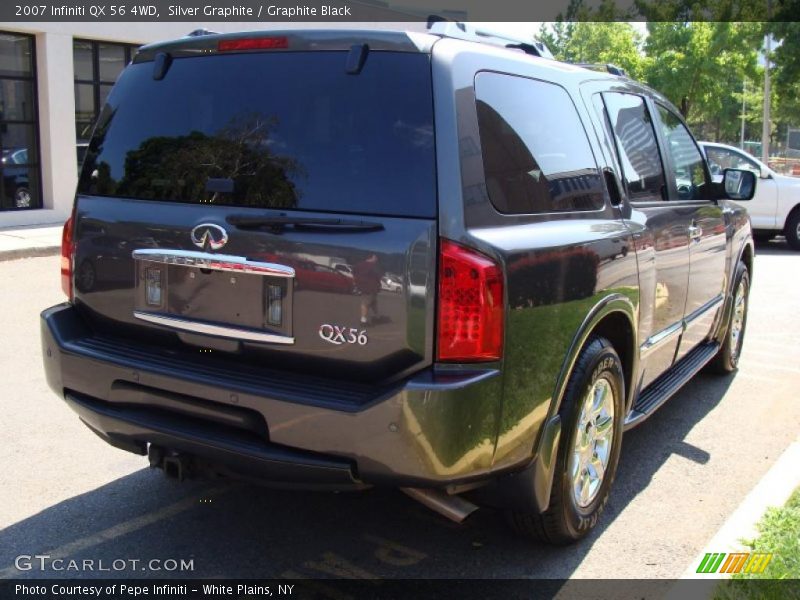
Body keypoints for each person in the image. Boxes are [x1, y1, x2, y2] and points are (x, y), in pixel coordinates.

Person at [352, 254, 382, 325]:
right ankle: (363, 320)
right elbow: (378, 277)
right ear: (372, 257)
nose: (376, 259)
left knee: (373, 302)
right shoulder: (373, 266)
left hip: (364, 287)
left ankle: (377, 316)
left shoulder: (359, 265)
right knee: (365, 303)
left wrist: (356, 283)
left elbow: (353, 273)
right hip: (370, 288)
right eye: (375, 257)